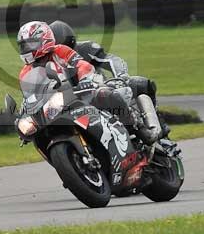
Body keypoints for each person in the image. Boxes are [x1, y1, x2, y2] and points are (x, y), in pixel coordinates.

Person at [16, 21, 157, 144]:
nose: (26, 49)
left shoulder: (68, 50)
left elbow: (91, 64)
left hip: (91, 87)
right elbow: (29, 96)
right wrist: (24, 117)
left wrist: (121, 76)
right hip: (61, 103)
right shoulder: (26, 71)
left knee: (131, 86)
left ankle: (140, 129)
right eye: (23, 46)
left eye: (30, 44)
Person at [49, 20, 158, 107]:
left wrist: (121, 76)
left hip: (100, 91)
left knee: (140, 84)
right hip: (69, 100)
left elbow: (112, 60)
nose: (62, 52)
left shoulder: (86, 48)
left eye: (64, 47)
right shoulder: (46, 62)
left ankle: (156, 121)